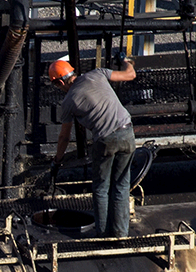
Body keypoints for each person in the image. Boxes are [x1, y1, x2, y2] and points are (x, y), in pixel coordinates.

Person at [50, 58, 136, 238]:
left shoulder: (68, 101)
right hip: (127, 132)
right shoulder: (98, 73)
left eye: (57, 85)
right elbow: (130, 74)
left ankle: (103, 234)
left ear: (59, 82)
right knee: (121, 185)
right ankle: (121, 235)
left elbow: (64, 136)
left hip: (105, 140)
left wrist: (58, 160)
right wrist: (127, 61)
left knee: (101, 188)